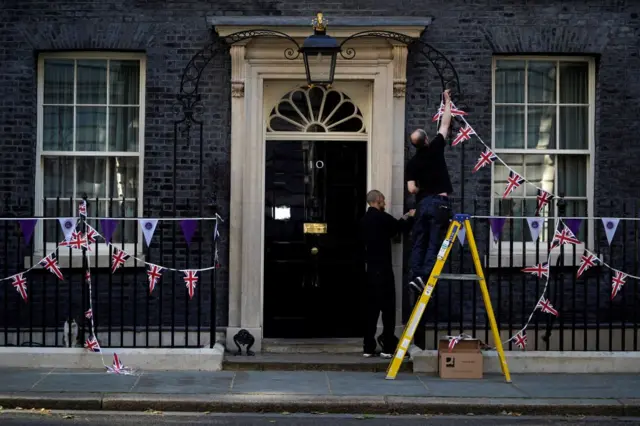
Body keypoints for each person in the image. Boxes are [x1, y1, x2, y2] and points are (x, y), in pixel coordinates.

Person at [405, 89, 454, 348]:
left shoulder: (412, 164)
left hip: (422, 204)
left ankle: (415, 274)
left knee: (419, 242)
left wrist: (420, 185)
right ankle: (423, 275)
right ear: (426, 140)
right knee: (435, 244)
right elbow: (445, 124)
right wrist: (446, 102)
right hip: (439, 203)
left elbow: (411, 189)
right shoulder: (435, 147)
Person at [360, 190, 415, 358]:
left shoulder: (363, 221)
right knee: (388, 309)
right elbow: (398, 227)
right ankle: (388, 346)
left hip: (369, 270)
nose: (384, 203)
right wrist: (409, 216)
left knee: (371, 310)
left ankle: (368, 347)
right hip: (383, 270)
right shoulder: (383, 218)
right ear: (377, 200)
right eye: (383, 200)